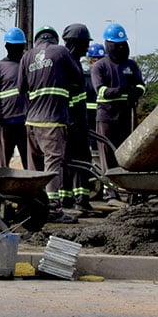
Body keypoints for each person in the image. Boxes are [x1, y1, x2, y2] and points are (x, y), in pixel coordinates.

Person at [19, 24, 78, 224]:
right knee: (52, 166)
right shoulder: (61, 52)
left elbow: (21, 88)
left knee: (34, 170)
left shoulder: (27, 56)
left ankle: (34, 209)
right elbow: (77, 78)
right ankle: (53, 209)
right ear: (54, 38)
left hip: (31, 122)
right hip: (53, 120)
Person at [91, 22, 144, 198]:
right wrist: (121, 90)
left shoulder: (131, 65)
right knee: (108, 155)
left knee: (127, 155)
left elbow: (141, 86)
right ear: (109, 45)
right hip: (106, 117)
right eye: (117, 45)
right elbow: (101, 91)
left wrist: (136, 91)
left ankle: (129, 190)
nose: (121, 48)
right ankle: (111, 193)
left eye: (123, 44)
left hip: (126, 116)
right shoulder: (100, 66)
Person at [0, 27, 29, 169]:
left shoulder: (28, 66)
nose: (17, 50)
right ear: (7, 47)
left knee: (29, 163)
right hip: (6, 123)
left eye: (20, 46)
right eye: (14, 46)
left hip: (26, 122)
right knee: (3, 164)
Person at [61, 23, 93, 212]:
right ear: (76, 43)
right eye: (85, 43)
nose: (87, 47)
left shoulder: (74, 63)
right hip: (71, 123)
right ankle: (72, 199)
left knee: (79, 161)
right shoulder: (67, 63)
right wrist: (73, 121)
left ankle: (78, 198)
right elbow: (67, 96)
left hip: (78, 122)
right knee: (72, 161)